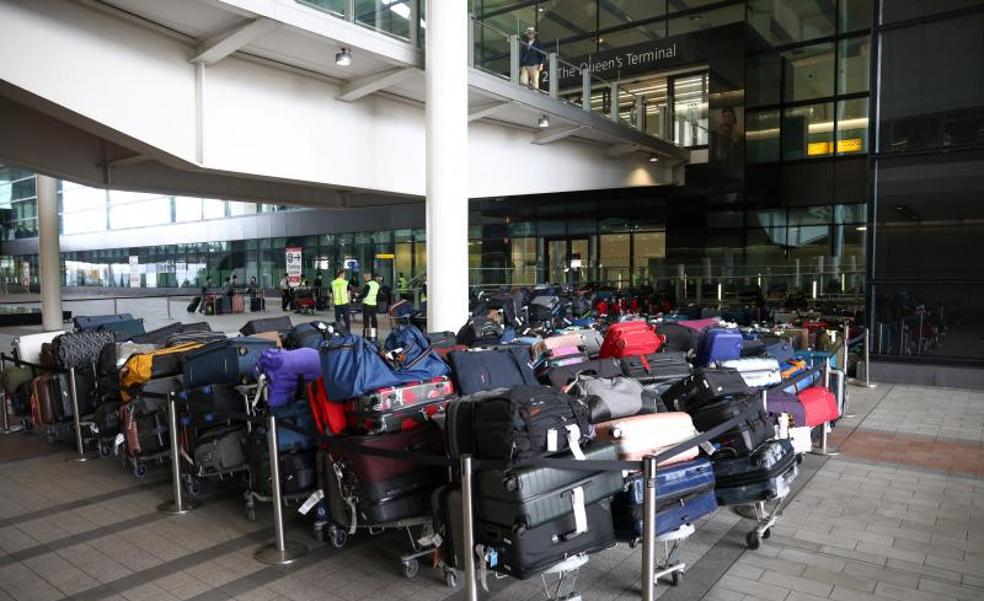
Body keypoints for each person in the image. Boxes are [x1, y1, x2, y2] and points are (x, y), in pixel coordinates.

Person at [359, 272, 380, 340]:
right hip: (373, 304)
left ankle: (367, 336)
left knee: (366, 321)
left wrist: (358, 296)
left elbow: (364, 295)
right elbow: (377, 295)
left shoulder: (368, 284)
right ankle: (375, 335)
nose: (364, 278)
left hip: (367, 304)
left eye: (365, 277)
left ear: (369, 277)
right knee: (374, 320)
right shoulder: (377, 284)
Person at [331, 268, 351, 333]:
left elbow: (332, 294)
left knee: (337, 319)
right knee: (346, 319)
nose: (345, 275)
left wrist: (333, 301)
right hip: (345, 303)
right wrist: (349, 301)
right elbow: (348, 293)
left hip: (337, 303)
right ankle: (348, 332)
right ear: (341, 274)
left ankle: (338, 332)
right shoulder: (346, 282)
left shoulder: (333, 283)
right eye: (344, 274)